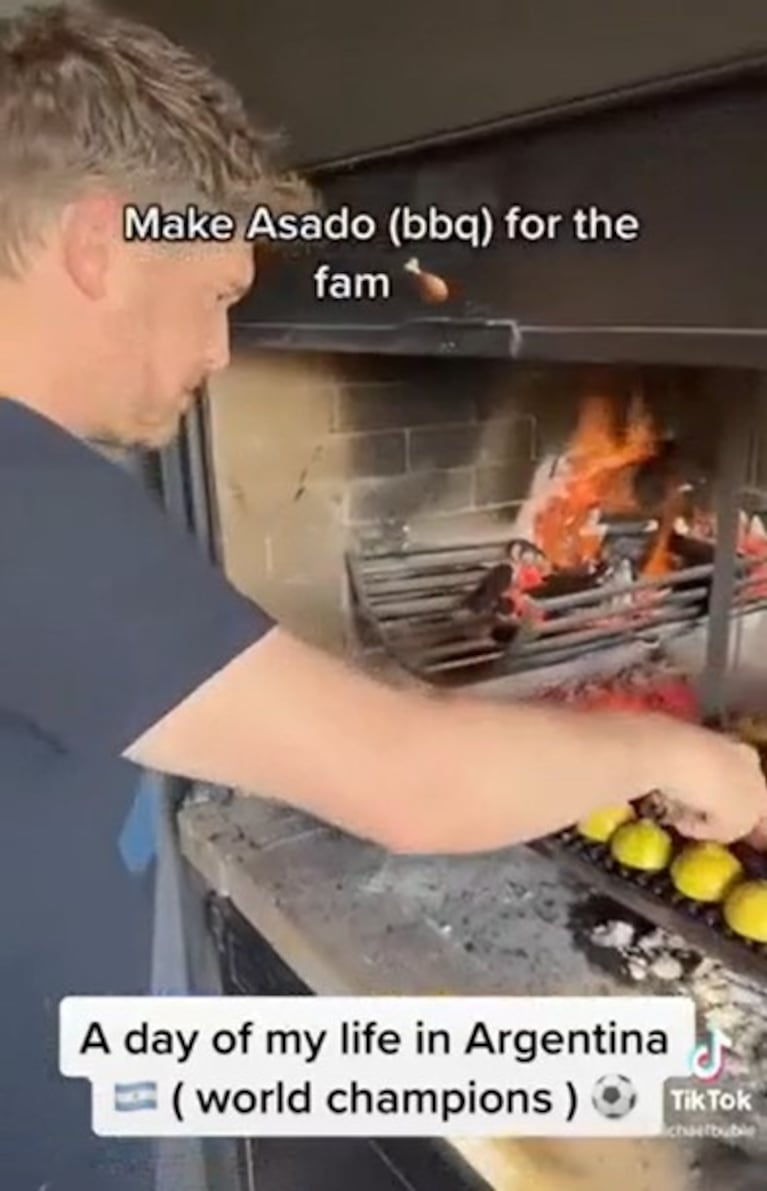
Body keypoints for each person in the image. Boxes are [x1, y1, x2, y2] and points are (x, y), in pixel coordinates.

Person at [0, 5, 764, 1188]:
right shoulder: (21, 494)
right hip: (51, 1117)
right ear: (100, 242)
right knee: (661, 1077)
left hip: (97, 1061)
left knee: (612, 1066)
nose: (217, 354)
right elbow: (410, 784)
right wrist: (671, 759)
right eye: (214, 293)